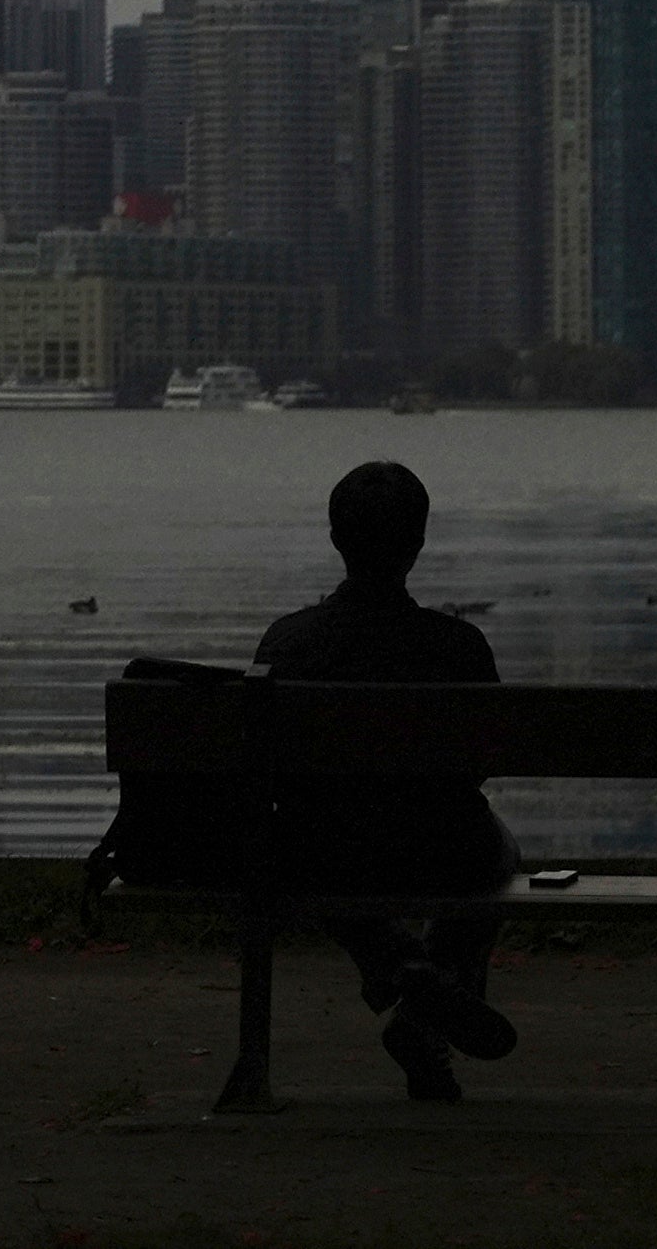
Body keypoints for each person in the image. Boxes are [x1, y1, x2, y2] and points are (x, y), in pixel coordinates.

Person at [254, 459, 521, 1101]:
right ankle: (424, 1008)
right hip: (441, 850)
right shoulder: (459, 646)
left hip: (322, 851)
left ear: (335, 538)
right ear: (419, 543)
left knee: (304, 842)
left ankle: (400, 965)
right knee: (499, 852)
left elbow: (270, 772)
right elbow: (478, 765)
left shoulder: (288, 643)